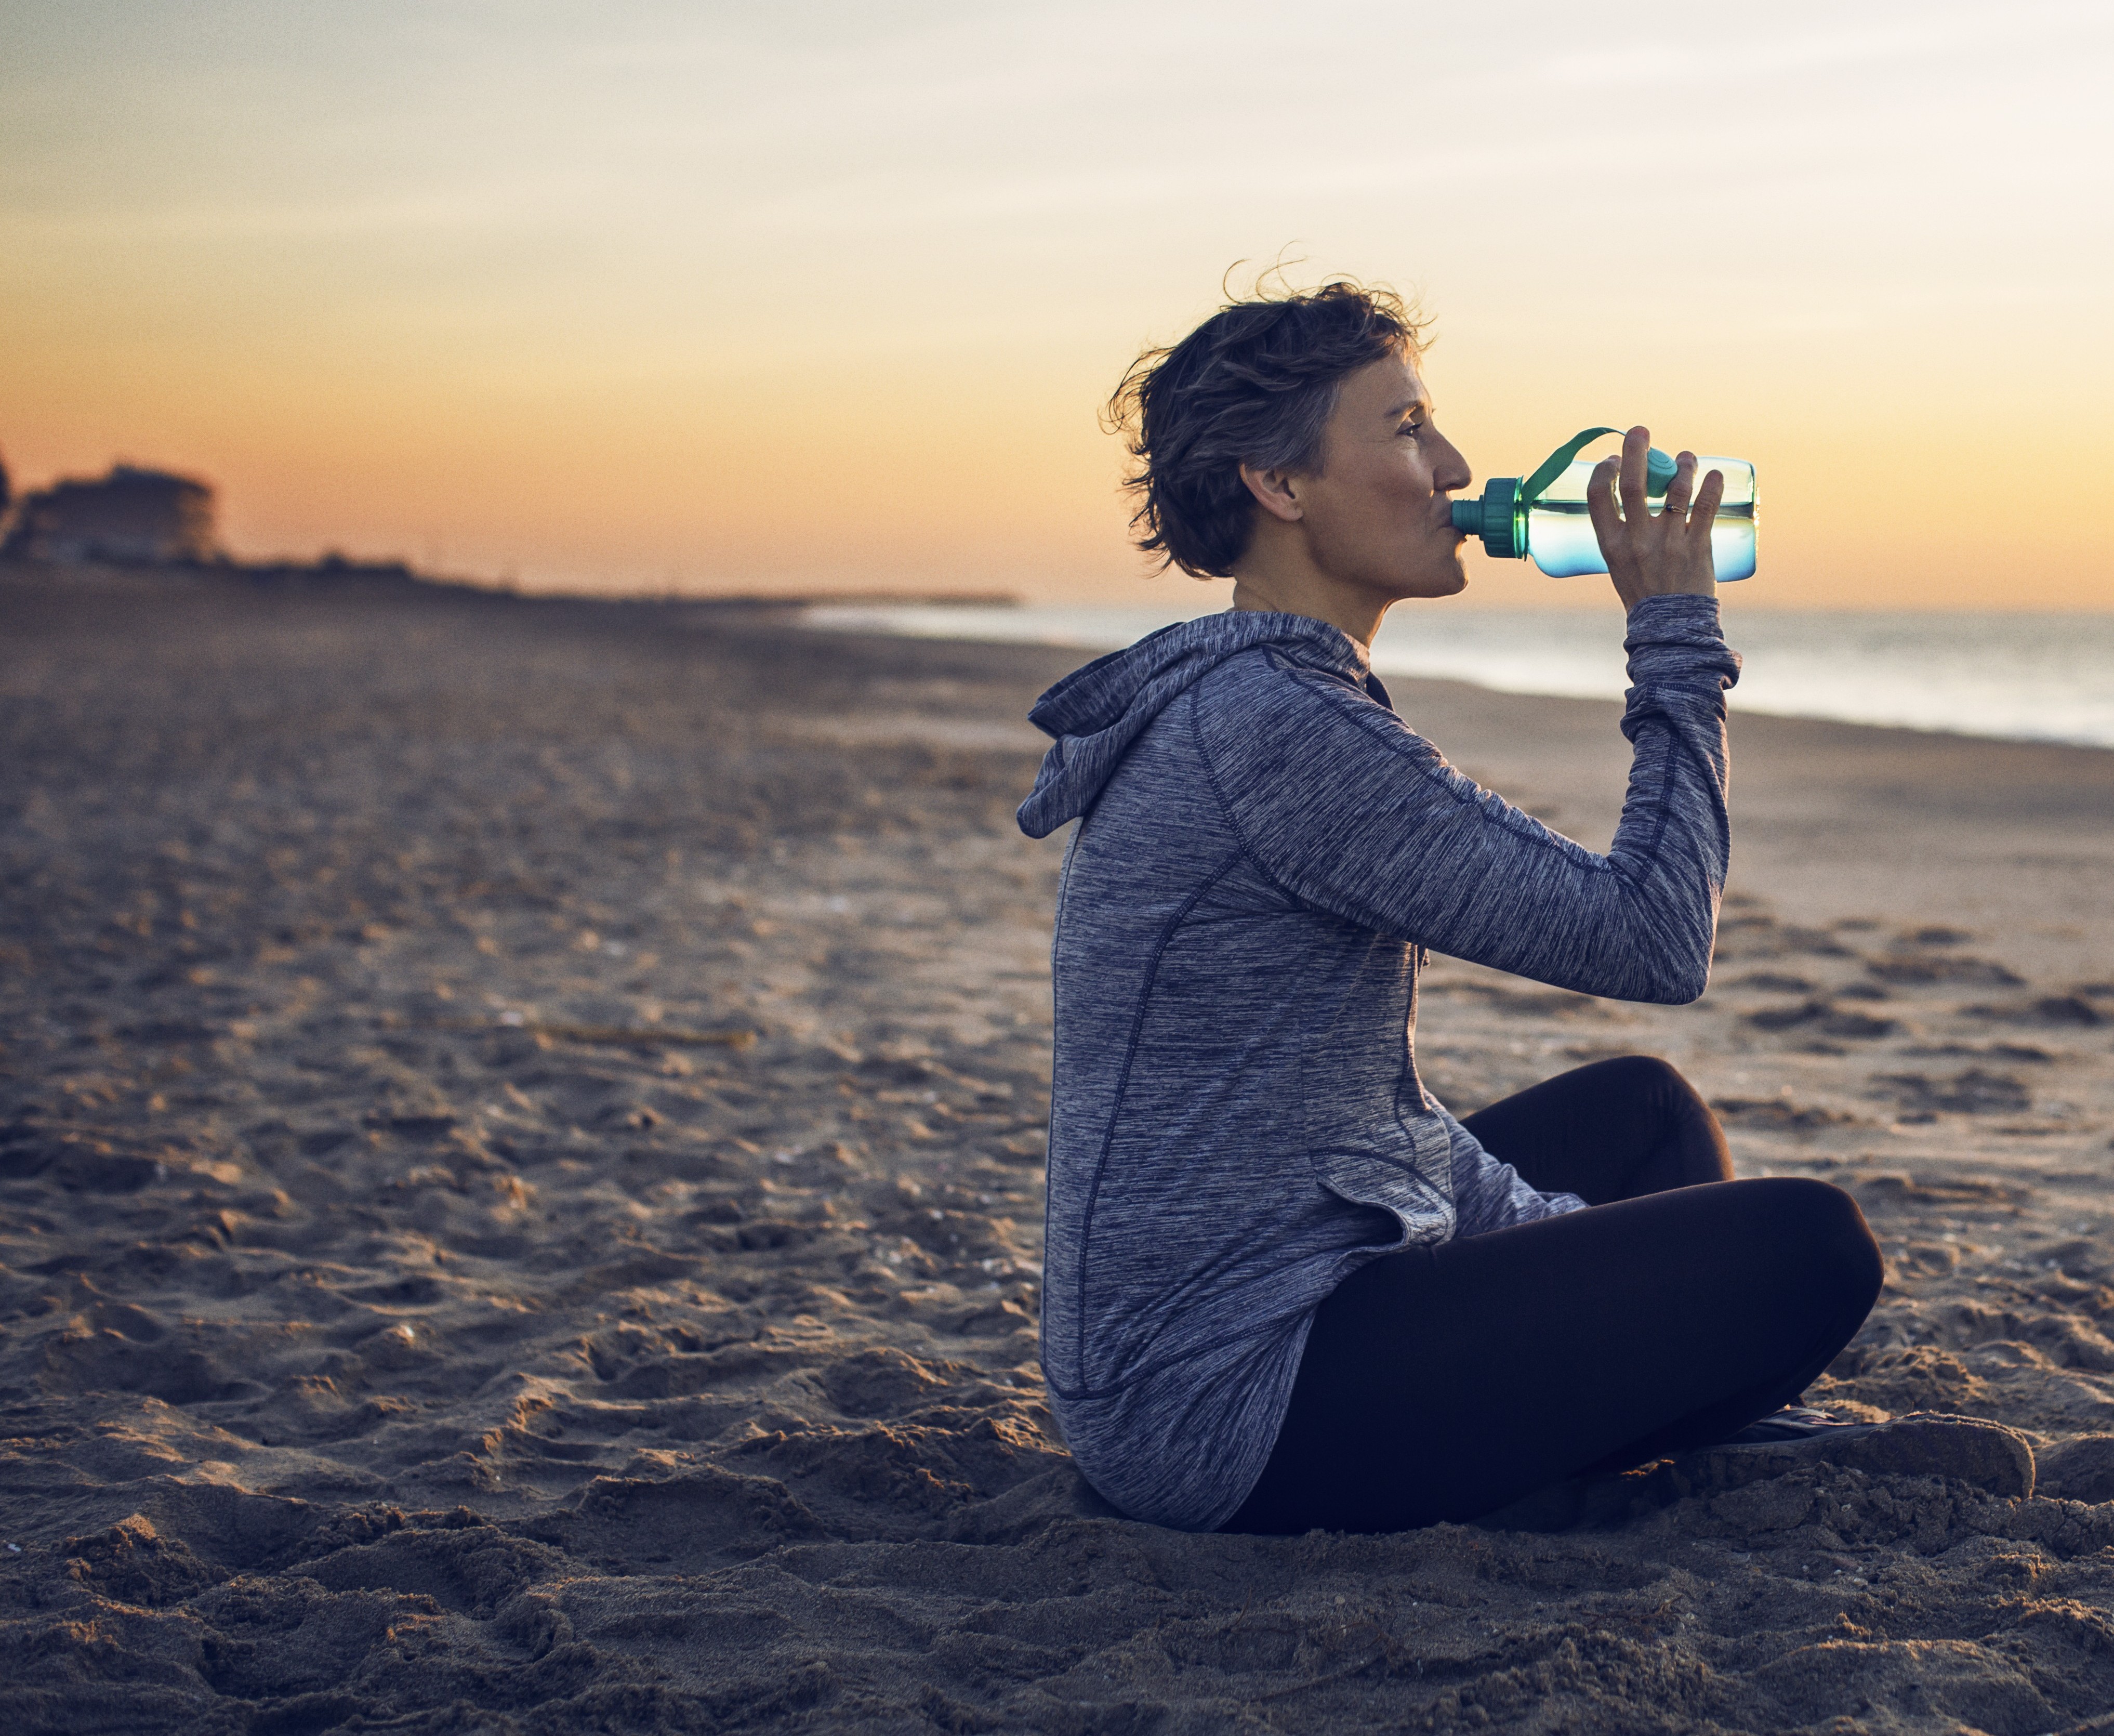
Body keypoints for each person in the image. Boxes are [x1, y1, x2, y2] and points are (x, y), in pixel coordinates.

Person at [1014, 279, 1885, 1534]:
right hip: (1222, 1397)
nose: (1459, 468)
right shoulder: (1277, 727)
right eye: (1409, 427)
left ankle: (1670, 1419)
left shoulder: (1263, 697)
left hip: (1256, 1299)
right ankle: (1677, 1425)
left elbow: (1363, 1111)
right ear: (1280, 482)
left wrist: (1551, 1238)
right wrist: (1675, 630)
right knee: (1814, 1247)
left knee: (1646, 1117)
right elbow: (1653, 938)